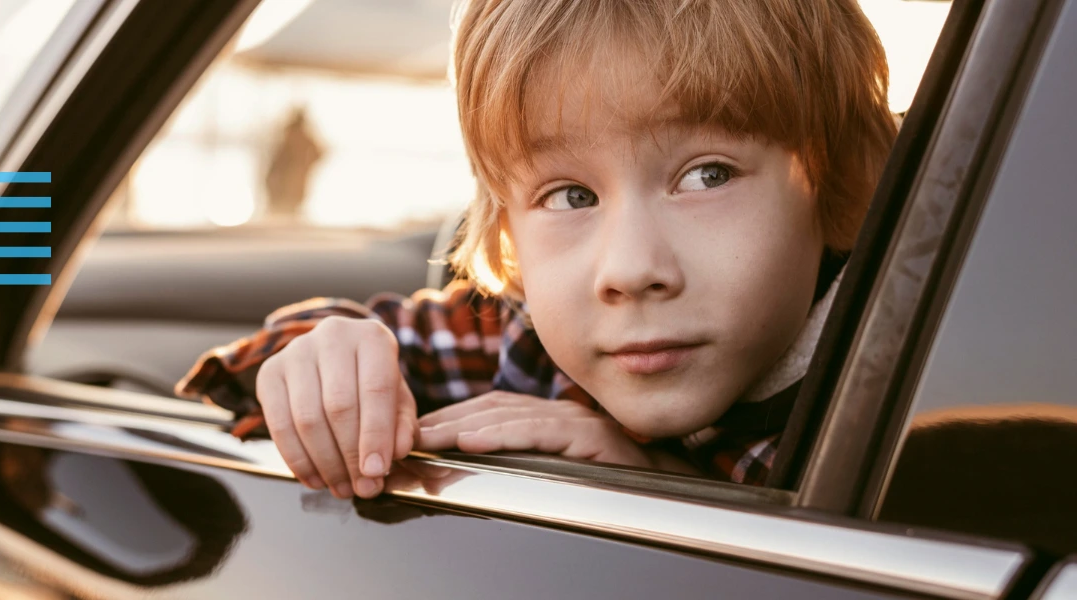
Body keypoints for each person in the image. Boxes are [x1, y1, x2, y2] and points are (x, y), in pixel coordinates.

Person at [175, 0, 897, 501]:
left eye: (707, 175)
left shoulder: (901, 385)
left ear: (837, 186)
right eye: (571, 196)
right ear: (508, 236)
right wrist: (328, 361)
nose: (629, 270)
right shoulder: (526, 343)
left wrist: (656, 480)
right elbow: (296, 360)